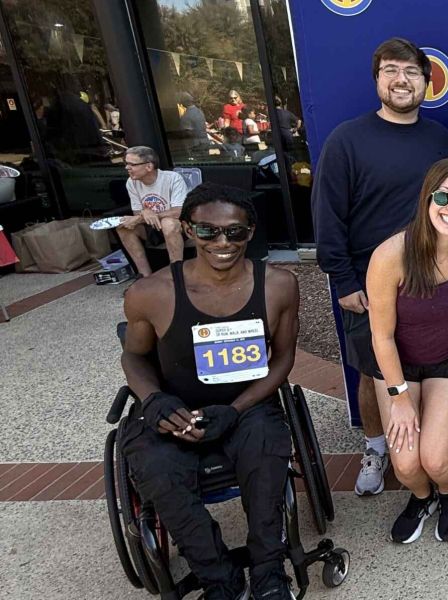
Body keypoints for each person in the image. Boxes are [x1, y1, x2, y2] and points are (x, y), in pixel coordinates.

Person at [120, 183, 300, 600]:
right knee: (157, 470)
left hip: (248, 404)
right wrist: (154, 400)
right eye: (208, 232)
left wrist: (235, 409)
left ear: (250, 233)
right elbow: (133, 358)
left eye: (235, 233)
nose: (223, 242)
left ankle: (269, 570)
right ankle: (218, 576)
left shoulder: (278, 286)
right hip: (174, 406)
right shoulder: (150, 294)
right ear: (187, 230)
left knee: (267, 449)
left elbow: (283, 360)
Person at [313, 37, 448, 498]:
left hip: (432, 283)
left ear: (426, 82)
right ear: (377, 79)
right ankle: (375, 447)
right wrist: (345, 280)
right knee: (374, 375)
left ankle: (427, 445)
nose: (401, 80)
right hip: (369, 287)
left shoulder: (439, 139)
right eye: (391, 70)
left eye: (412, 72)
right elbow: (327, 217)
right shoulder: (346, 140)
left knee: (424, 365)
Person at [365, 158, 448, 543]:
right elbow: (381, 337)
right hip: (398, 367)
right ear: (426, 197)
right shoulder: (391, 255)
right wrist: (399, 398)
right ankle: (422, 498)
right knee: (404, 464)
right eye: (445, 196)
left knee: (435, 457)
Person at [116, 145, 188, 277]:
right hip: (151, 228)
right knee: (123, 227)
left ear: (149, 167)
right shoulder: (131, 182)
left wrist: (147, 214)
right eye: (126, 163)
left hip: (177, 227)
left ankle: (176, 274)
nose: (127, 167)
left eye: (132, 164)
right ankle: (144, 276)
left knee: (168, 223)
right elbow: (137, 214)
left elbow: (178, 212)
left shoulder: (172, 178)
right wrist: (144, 213)